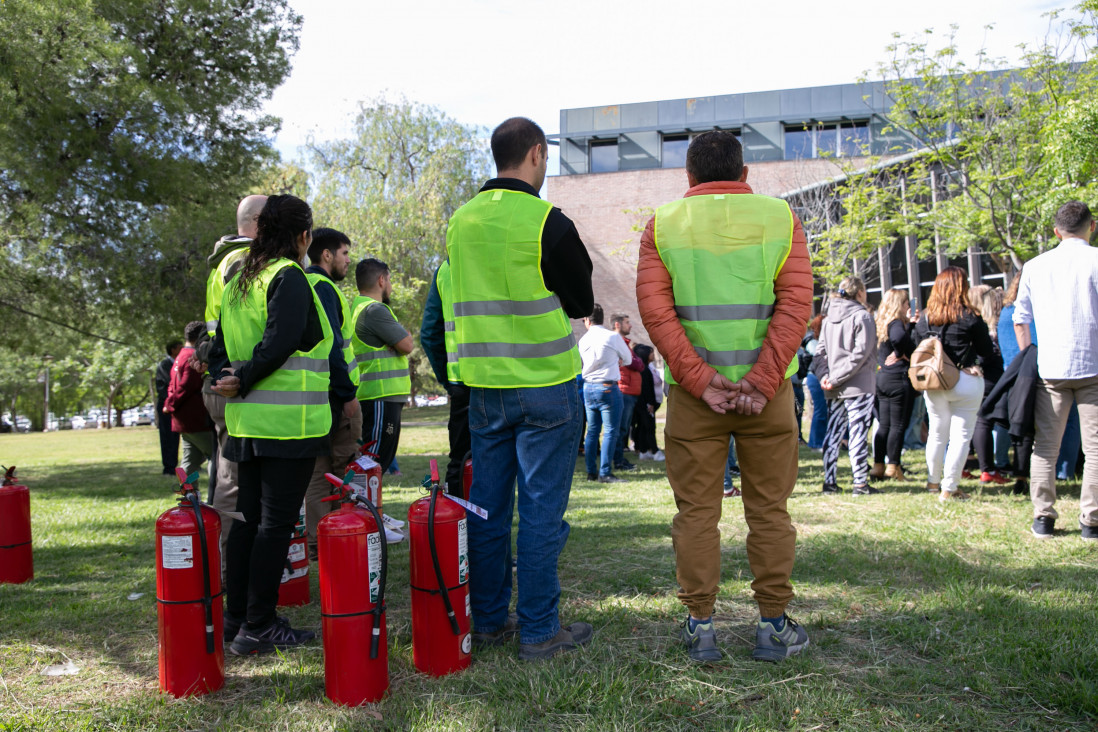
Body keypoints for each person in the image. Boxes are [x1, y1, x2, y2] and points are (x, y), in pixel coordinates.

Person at [636, 130, 812, 662]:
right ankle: (773, 626)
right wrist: (760, 382)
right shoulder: (780, 218)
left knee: (695, 513)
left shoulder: (663, 224)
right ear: (744, 174)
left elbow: (657, 314)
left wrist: (701, 380)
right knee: (770, 511)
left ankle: (701, 626)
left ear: (689, 177)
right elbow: (795, 304)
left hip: (696, 399)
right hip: (769, 394)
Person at [447, 116, 594, 660]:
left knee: (485, 509)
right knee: (538, 512)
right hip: (546, 386)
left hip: (485, 388)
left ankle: (487, 621)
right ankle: (537, 631)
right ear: (535, 154)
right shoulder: (545, 220)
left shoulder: (460, 223)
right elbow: (581, 301)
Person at [208, 194, 334, 653]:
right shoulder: (289, 275)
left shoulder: (242, 276)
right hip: (288, 425)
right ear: (303, 236)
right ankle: (258, 623)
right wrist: (240, 377)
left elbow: (218, 340)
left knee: (248, 521)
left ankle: (236, 618)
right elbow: (282, 340)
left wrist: (225, 375)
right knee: (274, 525)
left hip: (246, 422)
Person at [1012, 201, 1098, 540]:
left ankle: (1043, 518)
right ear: (1092, 226)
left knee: (1046, 447)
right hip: (1094, 366)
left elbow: (1021, 318)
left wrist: (1028, 357)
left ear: (1055, 231)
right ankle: (1090, 521)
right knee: (1095, 451)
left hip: (1051, 368)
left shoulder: (1035, 266)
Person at [200, 194, 267, 556]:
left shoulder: (223, 259)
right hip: (229, 380)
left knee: (230, 473)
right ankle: (228, 561)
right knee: (233, 477)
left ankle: (231, 559)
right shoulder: (243, 260)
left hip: (221, 375)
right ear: (258, 222)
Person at [302, 228, 363, 557]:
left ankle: (316, 543)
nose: (348, 260)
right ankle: (341, 538)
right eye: (344, 253)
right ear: (326, 254)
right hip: (336, 399)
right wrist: (347, 394)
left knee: (316, 474)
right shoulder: (324, 287)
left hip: (311, 398)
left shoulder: (300, 283)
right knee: (343, 470)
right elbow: (332, 348)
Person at [914, 266, 996, 502]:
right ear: (963, 287)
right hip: (965, 380)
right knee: (961, 435)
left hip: (934, 382)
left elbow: (917, 347)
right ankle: (949, 487)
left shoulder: (925, 318)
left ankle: (932, 482)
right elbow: (987, 352)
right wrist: (975, 362)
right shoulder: (971, 317)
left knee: (937, 434)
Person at [351, 258, 413, 474]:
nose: (391, 286)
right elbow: (407, 344)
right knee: (372, 463)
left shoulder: (359, 307)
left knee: (375, 462)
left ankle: (365, 507)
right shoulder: (374, 311)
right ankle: (361, 507)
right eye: (390, 280)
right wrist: (401, 337)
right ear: (381, 280)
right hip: (380, 396)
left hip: (381, 396)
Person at [817, 277, 877, 495]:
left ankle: (829, 482)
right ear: (860, 292)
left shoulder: (827, 319)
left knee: (833, 434)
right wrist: (833, 378)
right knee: (858, 434)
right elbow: (860, 354)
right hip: (858, 385)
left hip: (833, 385)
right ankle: (860, 483)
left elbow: (820, 353)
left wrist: (827, 376)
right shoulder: (863, 316)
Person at [421, 258, 471, 498]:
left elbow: (430, 334)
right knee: (500, 458)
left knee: (460, 458)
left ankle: (458, 520)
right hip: (500, 379)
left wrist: (447, 379)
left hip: (461, 381)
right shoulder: (499, 253)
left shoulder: (445, 271)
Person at [578, 304, 633, 483]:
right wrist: (617, 361)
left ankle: (591, 472)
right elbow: (628, 359)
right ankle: (605, 472)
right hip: (608, 385)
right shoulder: (612, 337)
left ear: (587, 320)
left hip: (588, 386)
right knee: (610, 431)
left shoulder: (583, 340)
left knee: (592, 431)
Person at [870, 288, 917, 481]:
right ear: (900, 305)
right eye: (906, 304)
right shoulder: (896, 323)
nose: (908, 307)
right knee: (897, 426)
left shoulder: (881, 323)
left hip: (882, 378)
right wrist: (900, 353)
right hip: (897, 378)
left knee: (884, 425)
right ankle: (893, 467)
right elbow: (899, 339)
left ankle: (878, 465)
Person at [164, 321, 215, 478]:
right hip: (195, 417)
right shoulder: (190, 357)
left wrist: (170, 404)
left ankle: (188, 497)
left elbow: (173, 385)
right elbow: (186, 386)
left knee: (190, 460)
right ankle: (214, 495)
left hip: (182, 418)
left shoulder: (179, 357)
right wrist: (170, 404)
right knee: (215, 455)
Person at [969, 286, 1007, 485]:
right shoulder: (993, 327)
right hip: (992, 378)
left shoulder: (976, 324)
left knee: (981, 422)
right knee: (986, 422)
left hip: (981, 378)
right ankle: (989, 468)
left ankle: (987, 467)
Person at [612, 313, 644, 471]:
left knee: (623, 428)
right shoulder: (619, 343)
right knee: (620, 428)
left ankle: (618, 459)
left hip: (629, 391)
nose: (630, 325)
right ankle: (617, 461)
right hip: (624, 390)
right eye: (627, 322)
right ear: (617, 324)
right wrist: (635, 359)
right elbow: (637, 364)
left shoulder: (625, 344)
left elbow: (637, 363)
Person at [155, 340, 183, 475]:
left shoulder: (180, 363)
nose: (182, 349)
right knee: (168, 437)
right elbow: (164, 387)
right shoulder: (164, 365)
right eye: (179, 347)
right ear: (173, 350)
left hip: (177, 404)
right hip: (166, 406)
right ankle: (169, 467)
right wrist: (171, 401)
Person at [632, 344, 664, 462]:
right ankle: (655, 451)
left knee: (643, 427)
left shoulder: (648, 367)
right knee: (649, 427)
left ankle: (644, 451)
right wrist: (650, 403)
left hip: (646, 403)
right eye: (650, 353)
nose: (653, 355)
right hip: (646, 404)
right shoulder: (644, 370)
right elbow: (646, 389)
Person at [803, 315, 828, 450]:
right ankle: (815, 442)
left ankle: (822, 440)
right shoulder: (813, 341)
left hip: (821, 377)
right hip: (815, 377)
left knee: (823, 411)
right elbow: (819, 357)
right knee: (820, 410)